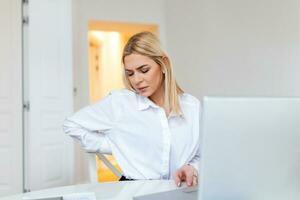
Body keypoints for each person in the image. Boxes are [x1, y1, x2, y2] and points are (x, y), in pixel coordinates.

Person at [63, 31, 201, 187]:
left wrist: (193, 168)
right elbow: (71, 125)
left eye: (144, 70)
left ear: (164, 64)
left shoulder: (192, 107)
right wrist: (115, 145)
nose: (136, 80)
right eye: (130, 74)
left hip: (181, 191)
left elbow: (204, 155)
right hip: (134, 191)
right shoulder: (120, 103)